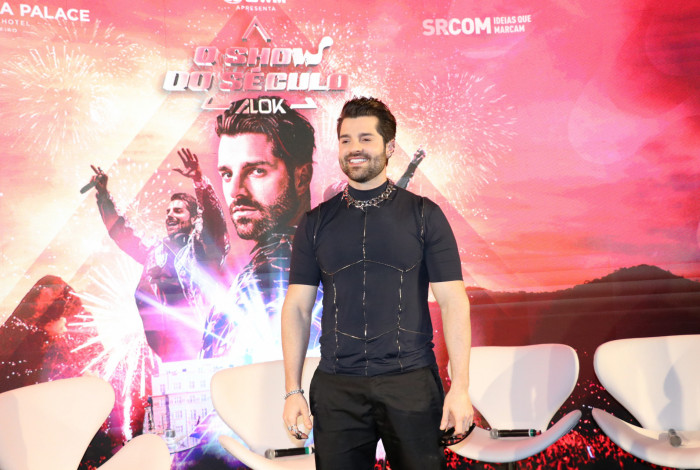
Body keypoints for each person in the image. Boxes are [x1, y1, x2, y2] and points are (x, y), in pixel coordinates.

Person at [281, 97, 473, 469]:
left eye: (365, 138)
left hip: (411, 384)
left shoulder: (425, 215)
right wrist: (292, 391)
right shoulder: (314, 223)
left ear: (389, 147)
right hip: (337, 389)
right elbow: (297, 309)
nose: (354, 148)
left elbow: (454, 302)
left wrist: (461, 387)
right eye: (346, 139)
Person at [201, 96, 322, 362]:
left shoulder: (325, 271)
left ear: (301, 178)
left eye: (256, 171)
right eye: (227, 174)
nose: (235, 191)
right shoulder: (253, 276)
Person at [90, 149, 229, 362]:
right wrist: (103, 196)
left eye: (178, 211)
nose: (170, 216)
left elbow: (214, 224)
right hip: (168, 351)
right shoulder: (154, 251)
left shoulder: (201, 248)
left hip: (204, 347)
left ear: (193, 219)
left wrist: (199, 180)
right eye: (168, 212)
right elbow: (121, 232)